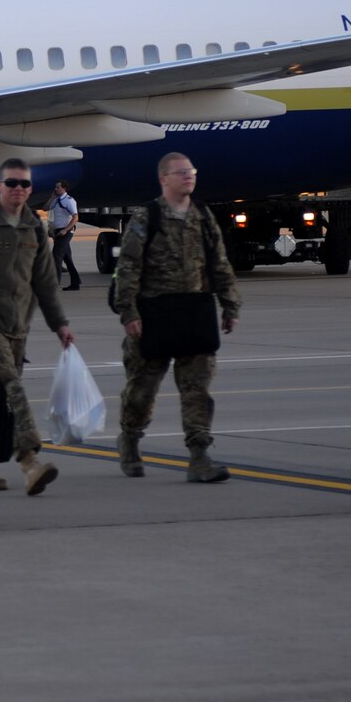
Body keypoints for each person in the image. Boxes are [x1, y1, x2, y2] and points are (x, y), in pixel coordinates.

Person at [111, 152, 241, 482]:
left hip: (194, 311)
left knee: (197, 389)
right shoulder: (147, 216)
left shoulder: (203, 215)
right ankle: (129, 438)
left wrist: (230, 305)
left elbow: (220, 262)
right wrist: (129, 313)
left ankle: (200, 455)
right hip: (153, 314)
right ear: (163, 179)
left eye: (191, 172)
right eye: (181, 173)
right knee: (142, 390)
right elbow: (127, 268)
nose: (188, 177)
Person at [0, 160, 72, 495]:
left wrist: (60, 324)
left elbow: (45, 281)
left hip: (18, 330)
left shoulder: (34, 227)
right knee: (11, 390)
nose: (19, 190)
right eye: (11, 183)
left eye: (25, 185)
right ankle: (30, 462)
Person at [49, 179, 82, 290]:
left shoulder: (69, 201)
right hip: (58, 231)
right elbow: (45, 208)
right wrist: (52, 198)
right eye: (55, 187)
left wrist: (66, 230)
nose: (56, 189)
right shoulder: (56, 200)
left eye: (58, 187)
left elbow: (75, 217)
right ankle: (75, 283)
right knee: (67, 258)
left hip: (65, 231)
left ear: (64, 188)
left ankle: (55, 283)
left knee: (56, 255)